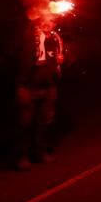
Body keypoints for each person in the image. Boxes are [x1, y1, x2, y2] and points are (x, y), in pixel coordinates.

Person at [15, 21, 64, 171]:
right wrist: (20, 86)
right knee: (24, 124)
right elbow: (17, 55)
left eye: (51, 20)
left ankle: (40, 152)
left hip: (49, 87)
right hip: (28, 87)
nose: (48, 23)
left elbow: (62, 58)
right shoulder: (28, 36)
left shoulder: (55, 38)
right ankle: (22, 156)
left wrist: (63, 60)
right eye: (43, 20)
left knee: (45, 122)